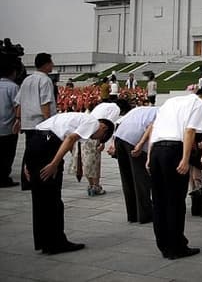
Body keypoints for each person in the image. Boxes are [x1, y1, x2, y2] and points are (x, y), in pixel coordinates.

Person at [24, 108, 118, 254]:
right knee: (52, 198)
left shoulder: (75, 118)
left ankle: (43, 242)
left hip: (36, 141)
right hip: (48, 146)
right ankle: (56, 243)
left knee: (39, 197)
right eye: (100, 138)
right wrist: (54, 163)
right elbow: (70, 139)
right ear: (103, 128)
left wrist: (27, 163)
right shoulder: (93, 122)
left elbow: (41, 135)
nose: (95, 138)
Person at [147, 87, 202, 259]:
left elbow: (154, 128)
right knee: (175, 201)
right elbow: (190, 131)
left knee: (159, 201)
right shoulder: (199, 104)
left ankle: (164, 245)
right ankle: (176, 247)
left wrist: (149, 156)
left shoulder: (171, 102)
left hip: (157, 151)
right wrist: (185, 159)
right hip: (174, 151)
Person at [15, 52, 57, 190]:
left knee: (29, 151)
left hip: (28, 123)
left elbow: (19, 102)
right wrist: (48, 122)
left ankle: (27, 180)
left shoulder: (27, 80)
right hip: (40, 123)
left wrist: (18, 119)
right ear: (46, 64)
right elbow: (45, 103)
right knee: (42, 152)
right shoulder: (45, 80)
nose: (52, 65)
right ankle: (39, 177)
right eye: (51, 62)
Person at [110, 105, 157, 223]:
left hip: (120, 138)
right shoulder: (161, 112)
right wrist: (140, 144)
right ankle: (145, 215)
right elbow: (152, 126)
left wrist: (113, 143)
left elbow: (118, 123)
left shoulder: (138, 109)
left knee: (127, 178)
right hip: (134, 140)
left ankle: (132, 214)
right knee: (141, 179)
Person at [75, 100, 131, 197]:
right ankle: (96, 187)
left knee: (87, 160)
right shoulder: (116, 109)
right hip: (95, 134)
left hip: (85, 132)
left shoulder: (103, 105)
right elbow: (106, 125)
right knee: (95, 161)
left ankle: (91, 185)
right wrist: (102, 142)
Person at [0, 57, 20, 187]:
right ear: (13, 72)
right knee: (7, 154)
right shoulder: (13, 87)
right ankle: (3, 178)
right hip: (8, 127)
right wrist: (18, 119)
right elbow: (17, 105)